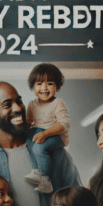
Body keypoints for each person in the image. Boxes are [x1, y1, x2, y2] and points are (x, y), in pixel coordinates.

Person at [23, 63, 71, 194]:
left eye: (50, 83)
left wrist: (45, 134)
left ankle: (46, 180)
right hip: (39, 132)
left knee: (39, 147)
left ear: (57, 86)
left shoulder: (57, 103)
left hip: (57, 135)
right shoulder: (32, 104)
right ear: (32, 86)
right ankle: (36, 171)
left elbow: (65, 124)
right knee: (28, 140)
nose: (44, 88)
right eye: (39, 84)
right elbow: (28, 122)